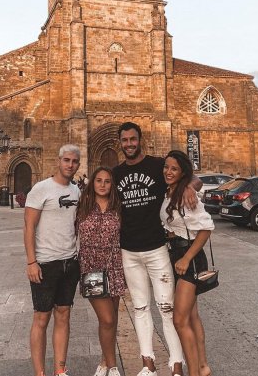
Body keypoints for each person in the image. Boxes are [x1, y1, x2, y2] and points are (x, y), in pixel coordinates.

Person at [112, 122, 198, 376]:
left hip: (157, 248)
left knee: (166, 307)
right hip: (129, 251)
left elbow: (188, 176)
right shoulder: (116, 173)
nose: (129, 144)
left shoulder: (156, 165)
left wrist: (190, 187)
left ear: (140, 140)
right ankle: (147, 364)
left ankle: (176, 365)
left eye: (133, 139)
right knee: (140, 307)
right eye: (125, 140)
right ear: (120, 143)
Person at [24, 145, 81, 376]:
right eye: (66, 160)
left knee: (64, 314)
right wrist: (31, 262)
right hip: (45, 263)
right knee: (41, 317)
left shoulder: (76, 191)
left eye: (74, 161)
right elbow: (29, 226)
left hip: (70, 262)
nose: (70, 165)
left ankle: (60, 370)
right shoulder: (41, 189)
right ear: (59, 161)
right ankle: (40, 373)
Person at [161, 150, 214, 376]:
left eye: (174, 168)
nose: (168, 172)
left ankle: (193, 372)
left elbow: (206, 228)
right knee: (191, 316)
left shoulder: (184, 194)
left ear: (182, 172)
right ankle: (203, 367)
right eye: (166, 167)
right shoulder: (170, 192)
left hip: (188, 258)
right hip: (176, 255)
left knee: (180, 320)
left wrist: (186, 258)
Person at [77, 166, 125, 376]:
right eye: (99, 180)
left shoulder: (119, 206)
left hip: (115, 266)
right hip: (91, 269)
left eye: (107, 181)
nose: (103, 185)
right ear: (92, 183)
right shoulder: (82, 205)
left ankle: (105, 361)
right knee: (106, 319)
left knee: (111, 319)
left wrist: (188, 185)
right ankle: (114, 367)